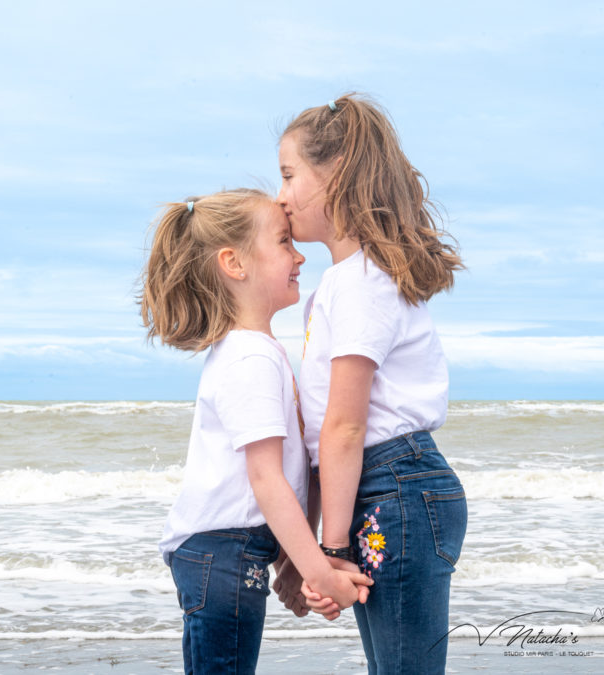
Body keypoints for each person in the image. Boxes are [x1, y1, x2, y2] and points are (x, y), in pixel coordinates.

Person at [140, 188, 373, 674]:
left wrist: (292, 564)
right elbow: (265, 479)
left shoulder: (256, 351)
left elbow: (295, 471)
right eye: (285, 242)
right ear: (234, 263)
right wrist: (318, 574)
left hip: (225, 552)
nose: (300, 255)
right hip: (222, 553)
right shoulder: (250, 357)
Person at [277, 94, 468, 674]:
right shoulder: (338, 286)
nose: (280, 196)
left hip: (398, 490)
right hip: (381, 490)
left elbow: (344, 426)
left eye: (289, 175)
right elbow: (322, 442)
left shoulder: (360, 282)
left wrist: (329, 553)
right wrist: (305, 556)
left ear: (335, 176)